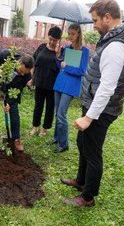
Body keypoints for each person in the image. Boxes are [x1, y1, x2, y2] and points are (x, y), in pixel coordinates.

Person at [61, 0, 124, 207]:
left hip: (101, 109)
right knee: (82, 143)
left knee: (92, 151)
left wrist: (89, 117)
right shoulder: (115, 38)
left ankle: (88, 197)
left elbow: (107, 87)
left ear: (108, 17)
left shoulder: (117, 45)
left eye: (96, 20)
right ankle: (81, 181)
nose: (94, 25)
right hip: (95, 104)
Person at [0, 49, 34, 151]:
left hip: (10, 89)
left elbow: (17, 91)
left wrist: (8, 103)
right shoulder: (8, 54)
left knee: (14, 111)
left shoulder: (26, 75)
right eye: (21, 71)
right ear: (19, 62)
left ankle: (16, 139)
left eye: (24, 73)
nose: (22, 74)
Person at [52, 23, 90, 154]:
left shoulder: (85, 51)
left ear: (79, 34)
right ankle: (56, 138)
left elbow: (82, 71)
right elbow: (60, 65)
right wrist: (58, 56)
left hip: (70, 86)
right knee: (57, 113)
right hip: (60, 83)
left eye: (73, 34)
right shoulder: (67, 48)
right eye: (69, 34)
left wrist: (66, 66)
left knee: (62, 114)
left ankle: (64, 144)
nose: (70, 36)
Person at [28, 26, 62, 137]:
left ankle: (45, 128)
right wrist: (32, 78)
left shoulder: (61, 51)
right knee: (38, 105)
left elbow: (62, 68)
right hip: (39, 81)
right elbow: (33, 63)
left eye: (55, 40)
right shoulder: (42, 47)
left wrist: (58, 55)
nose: (52, 42)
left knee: (49, 107)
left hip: (52, 84)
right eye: (50, 39)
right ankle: (35, 126)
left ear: (59, 40)